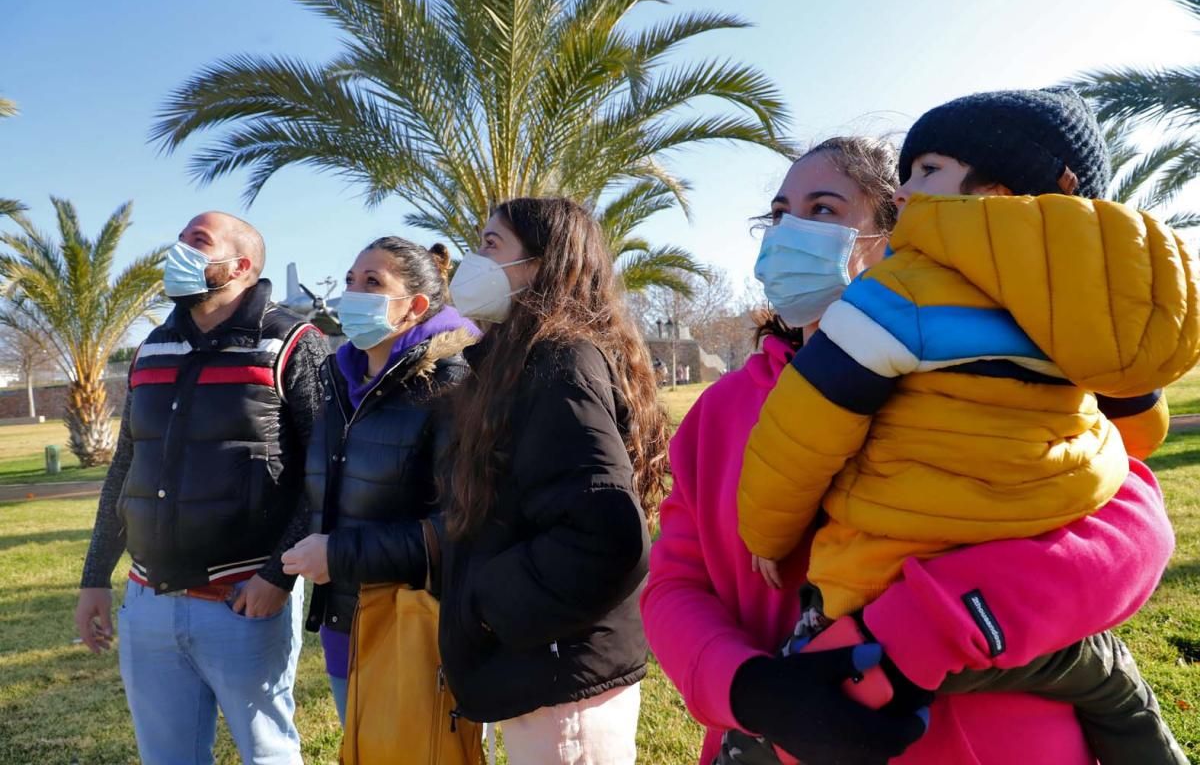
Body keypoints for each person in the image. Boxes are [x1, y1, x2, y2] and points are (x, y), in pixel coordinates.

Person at [641, 136, 1179, 765]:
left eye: (821, 209)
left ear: (897, 234)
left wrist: (923, 629)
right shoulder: (721, 409)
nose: (788, 231)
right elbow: (675, 584)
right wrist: (749, 688)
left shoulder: (999, 375)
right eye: (780, 211)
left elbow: (1131, 529)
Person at [74, 211, 326, 765]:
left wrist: (277, 576)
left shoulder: (292, 343)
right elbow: (125, 468)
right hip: (148, 601)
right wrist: (96, 579)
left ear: (239, 266)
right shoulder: (152, 348)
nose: (178, 251)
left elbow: (324, 471)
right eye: (179, 238)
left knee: (268, 753)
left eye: (197, 242)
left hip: (244, 602)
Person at [435, 197, 669, 763]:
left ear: (544, 265)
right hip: (550, 668)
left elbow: (605, 536)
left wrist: (489, 604)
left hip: (563, 684)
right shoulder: (522, 361)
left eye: (492, 245)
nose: (473, 260)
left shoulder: (558, 365)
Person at [278, 237, 478, 724]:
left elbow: (460, 528)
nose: (352, 294)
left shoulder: (450, 386)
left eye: (372, 282)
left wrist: (338, 555)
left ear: (415, 307)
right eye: (350, 280)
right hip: (344, 624)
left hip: (417, 628)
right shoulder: (337, 381)